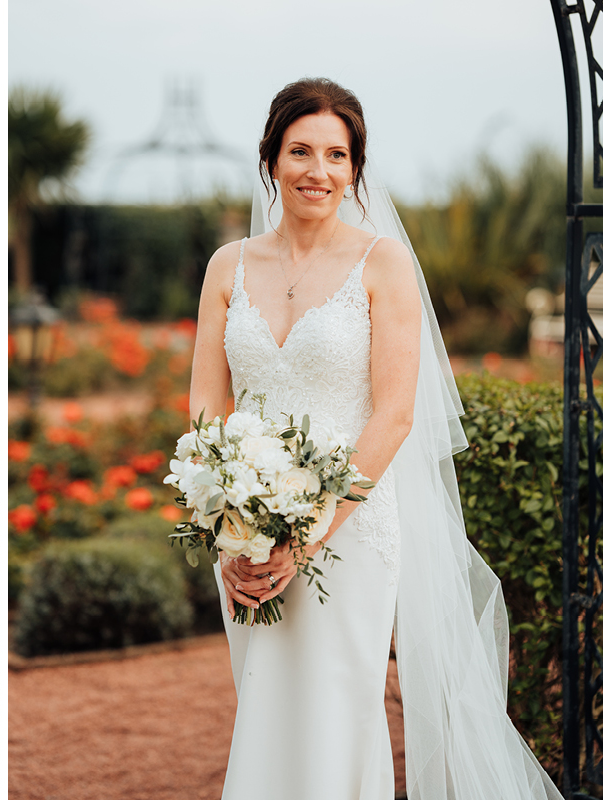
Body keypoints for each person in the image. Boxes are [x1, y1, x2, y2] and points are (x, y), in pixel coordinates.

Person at [190, 78, 561, 799]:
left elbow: (394, 415)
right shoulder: (226, 266)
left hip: (351, 530)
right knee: (264, 706)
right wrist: (227, 525)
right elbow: (207, 403)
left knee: (337, 714)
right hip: (244, 532)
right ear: (271, 158)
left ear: (356, 168)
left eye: (336, 154)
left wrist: (305, 537)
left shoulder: (382, 263)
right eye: (300, 150)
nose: (317, 171)